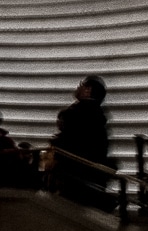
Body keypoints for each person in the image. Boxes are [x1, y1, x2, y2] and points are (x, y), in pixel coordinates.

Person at [49, 75, 115, 210]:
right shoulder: (99, 115)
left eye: (81, 85)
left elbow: (68, 141)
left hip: (73, 175)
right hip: (90, 174)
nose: (78, 88)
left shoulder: (77, 113)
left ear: (88, 90)